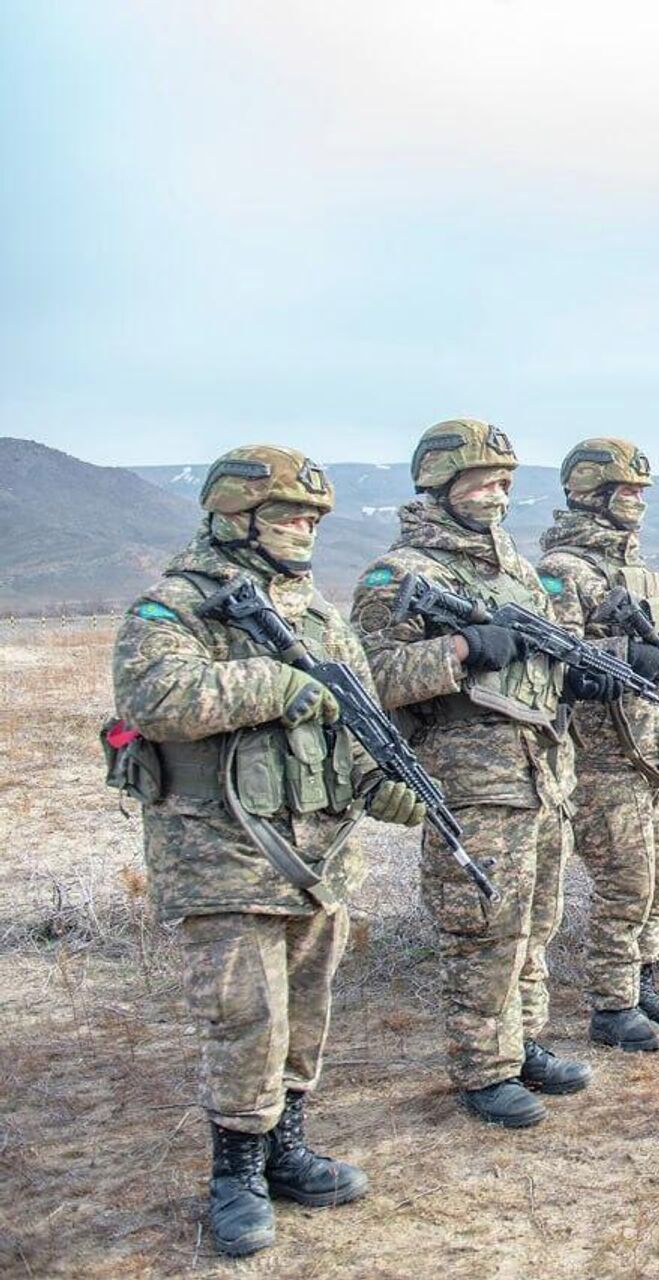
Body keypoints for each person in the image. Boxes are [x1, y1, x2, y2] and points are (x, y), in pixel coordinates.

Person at [109, 445, 425, 1256]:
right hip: (223, 855)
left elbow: (354, 721)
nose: (303, 531)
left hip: (317, 857)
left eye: (313, 519)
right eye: (287, 516)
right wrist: (274, 683)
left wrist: (381, 785)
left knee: (306, 1014)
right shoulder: (174, 606)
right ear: (232, 515)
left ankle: (287, 1149)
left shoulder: (317, 614)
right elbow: (156, 697)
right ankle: (236, 1172)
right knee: (245, 1017)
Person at [351, 419, 593, 1126]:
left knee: (536, 919)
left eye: (505, 483)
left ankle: (524, 1042)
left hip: (538, 773)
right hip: (471, 783)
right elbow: (369, 677)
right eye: (483, 482)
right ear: (442, 484)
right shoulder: (399, 575)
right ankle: (482, 1068)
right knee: (483, 927)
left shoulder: (515, 569)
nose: (497, 495)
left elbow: (541, 655)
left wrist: (578, 675)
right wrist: (458, 649)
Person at [537, 437, 659, 1050]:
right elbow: (551, 658)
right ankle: (611, 1005)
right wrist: (625, 655)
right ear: (591, 493)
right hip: (602, 760)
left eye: (640, 491)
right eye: (625, 490)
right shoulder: (564, 572)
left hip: (650, 757)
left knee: (657, 882)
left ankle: (644, 984)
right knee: (625, 885)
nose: (636, 501)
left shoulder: (638, 569)